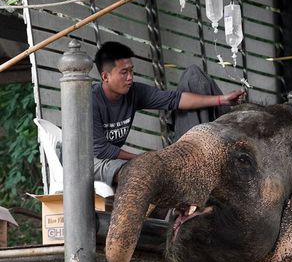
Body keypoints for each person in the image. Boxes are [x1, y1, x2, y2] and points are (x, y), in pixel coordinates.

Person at [93, 41, 245, 186]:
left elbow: (175, 100)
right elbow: (102, 150)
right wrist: (147, 158)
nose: (130, 78)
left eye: (131, 71)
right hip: (87, 162)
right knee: (137, 172)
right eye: (124, 72)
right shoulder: (90, 100)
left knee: (154, 172)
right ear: (105, 76)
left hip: (112, 159)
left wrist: (222, 100)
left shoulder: (134, 92)